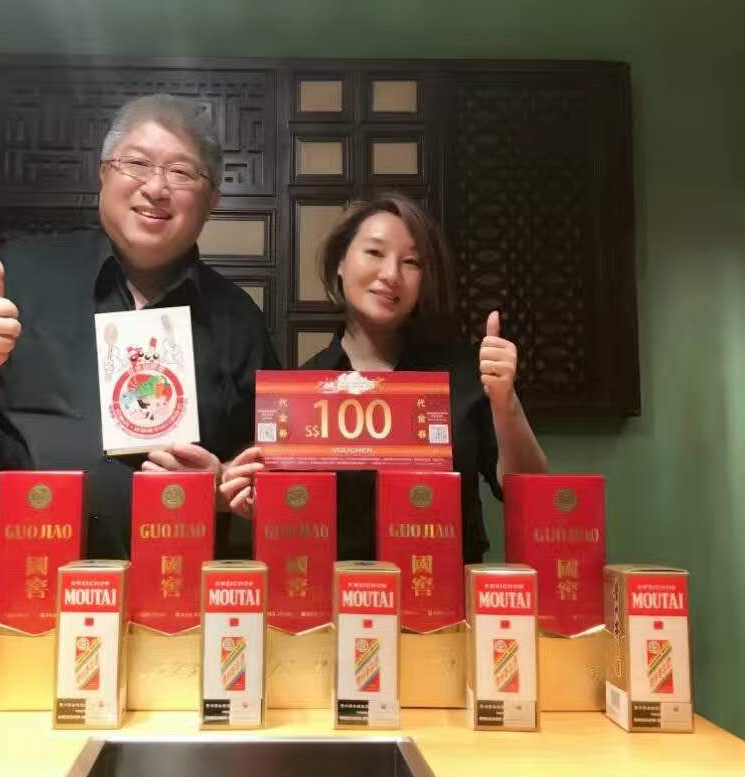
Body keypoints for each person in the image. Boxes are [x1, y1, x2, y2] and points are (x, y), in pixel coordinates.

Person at [0, 94, 279, 559]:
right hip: (17, 584)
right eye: (137, 163)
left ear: (212, 200)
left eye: (181, 172)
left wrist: (225, 484)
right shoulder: (20, 271)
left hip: (170, 590)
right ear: (104, 173)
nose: (156, 187)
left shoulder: (237, 318)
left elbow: (273, 470)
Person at [220, 193, 547, 561]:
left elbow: (530, 493)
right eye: (375, 253)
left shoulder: (462, 376)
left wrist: (506, 402)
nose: (391, 275)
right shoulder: (299, 392)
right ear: (340, 263)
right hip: (337, 591)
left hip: (446, 590)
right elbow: (289, 518)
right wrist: (254, 498)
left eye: (411, 262)